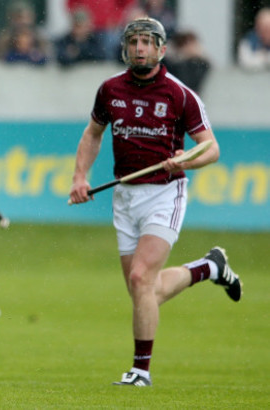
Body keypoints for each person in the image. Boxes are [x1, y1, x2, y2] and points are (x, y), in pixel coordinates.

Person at [68, 17, 242, 387]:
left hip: (165, 192)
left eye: (148, 42)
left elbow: (211, 149)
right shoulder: (110, 89)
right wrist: (80, 177)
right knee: (144, 290)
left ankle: (140, 372)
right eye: (134, 42)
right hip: (124, 196)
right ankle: (210, 268)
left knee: (139, 278)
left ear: (162, 50)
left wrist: (185, 160)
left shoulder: (179, 94)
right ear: (125, 48)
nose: (141, 48)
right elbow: (93, 134)